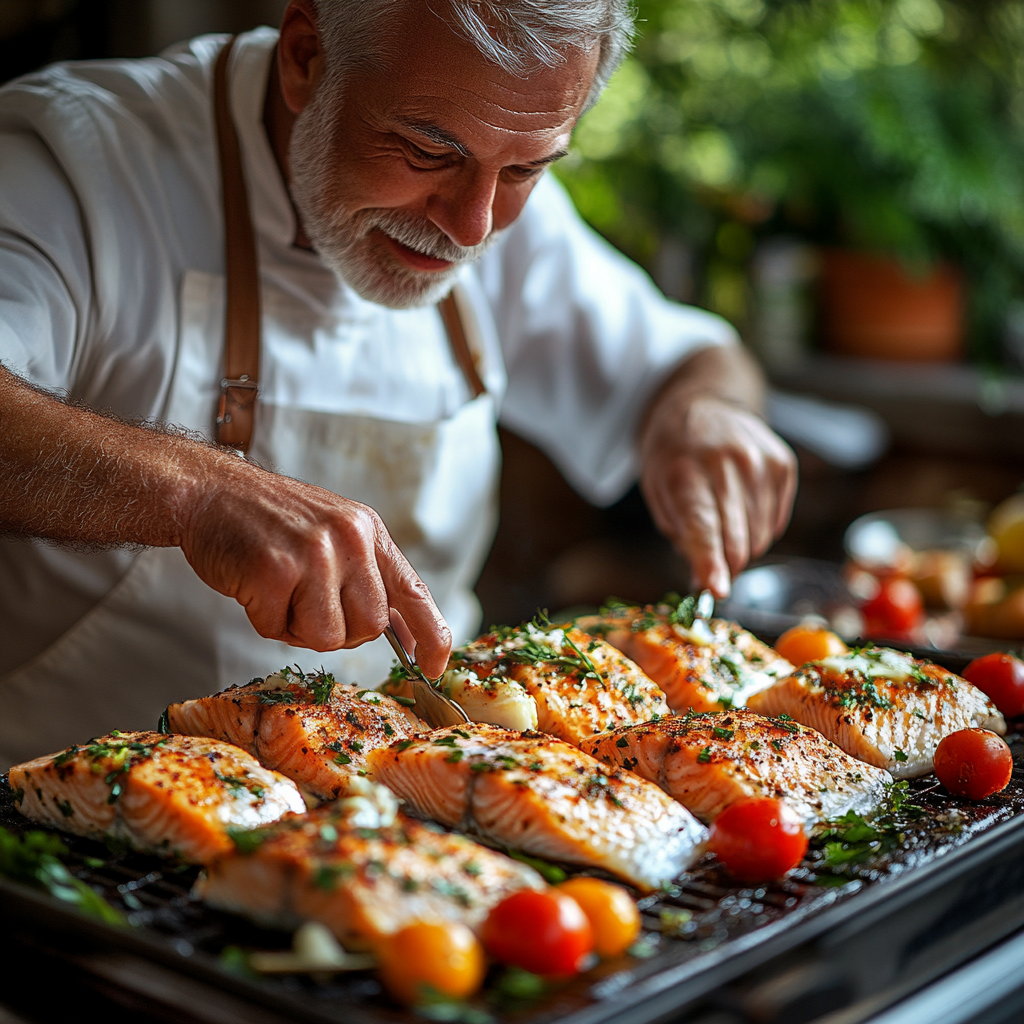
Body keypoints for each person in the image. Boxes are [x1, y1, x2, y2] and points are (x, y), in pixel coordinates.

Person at [0, 0, 796, 766]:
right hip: (70, 808)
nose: (472, 226)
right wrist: (198, 492)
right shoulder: (74, 164)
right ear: (306, 56)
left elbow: (695, 363)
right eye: (426, 151)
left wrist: (705, 415)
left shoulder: (497, 190)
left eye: (524, 168)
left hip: (411, 811)